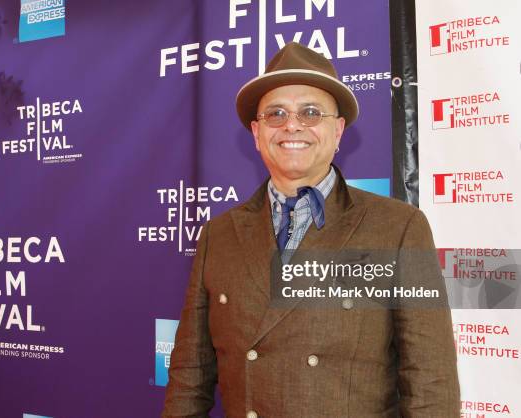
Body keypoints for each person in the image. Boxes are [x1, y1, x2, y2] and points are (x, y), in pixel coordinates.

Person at [162, 42, 459, 418]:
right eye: (276, 114)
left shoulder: (399, 228)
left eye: (310, 112)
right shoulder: (217, 236)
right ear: (256, 133)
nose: (292, 125)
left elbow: (430, 380)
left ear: (337, 132)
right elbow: (191, 374)